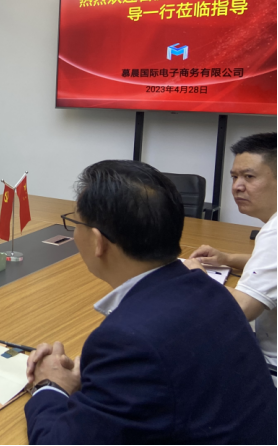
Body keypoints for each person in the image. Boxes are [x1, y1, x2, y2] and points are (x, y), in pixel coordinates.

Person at [24, 160, 276, 444]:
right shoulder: (209, 289)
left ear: (98, 242)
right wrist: (102, 373)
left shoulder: (127, 341)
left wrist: (50, 385)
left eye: (75, 223)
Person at [189, 132, 276, 384]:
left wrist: (198, 276)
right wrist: (227, 258)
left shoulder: (275, 233)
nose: (237, 186)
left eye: (249, 176)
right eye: (234, 177)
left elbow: (240, 309)